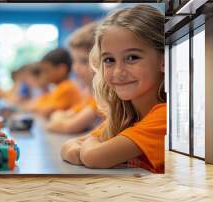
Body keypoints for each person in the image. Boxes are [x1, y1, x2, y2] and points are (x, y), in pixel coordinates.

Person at [61, 5, 166, 173]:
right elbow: (68, 147)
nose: (118, 72)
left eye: (132, 57)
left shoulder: (164, 117)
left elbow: (94, 157)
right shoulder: (124, 116)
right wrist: (86, 147)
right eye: (109, 60)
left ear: (164, 60)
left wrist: (87, 147)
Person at [47, 22, 101, 134]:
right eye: (74, 61)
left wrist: (58, 118)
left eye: (84, 61)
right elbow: (68, 114)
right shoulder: (88, 93)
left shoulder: (101, 98)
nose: (75, 68)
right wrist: (59, 117)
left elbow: (68, 126)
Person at [31, 48, 82, 117]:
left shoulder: (67, 87)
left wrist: (35, 109)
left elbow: (46, 112)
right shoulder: (58, 88)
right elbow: (39, 103)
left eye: (47, 71)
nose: (44, 75)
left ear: (62, 69)